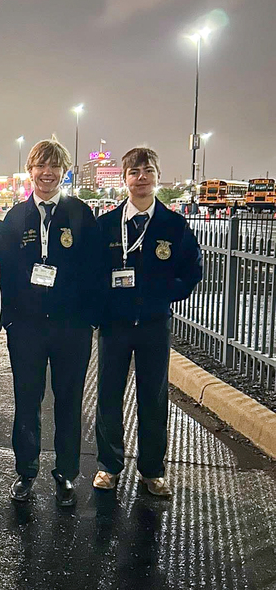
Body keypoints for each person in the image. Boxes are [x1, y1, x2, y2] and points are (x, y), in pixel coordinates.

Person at [93, 148, 203, 497]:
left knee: (152, 398)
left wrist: (163, 293)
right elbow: (92, 274)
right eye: (134, 172)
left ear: (157, 176)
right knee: (108, 395)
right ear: (124, 178)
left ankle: (152, 470)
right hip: (115, 325)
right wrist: (102, 308)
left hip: (154, 323)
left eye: (148, 171)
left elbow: (192, 271)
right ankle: (109, 466)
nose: (141, 178)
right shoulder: (107, 225)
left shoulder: (174, 225)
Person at [0, 137, 99, 508]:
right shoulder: (15, 217)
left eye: (54, 166)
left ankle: (66, 474)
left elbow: (94, 270)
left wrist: (87, 320)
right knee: (27, 400)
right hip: (26, 328)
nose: (47, 173)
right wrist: (10, 320)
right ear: (31, 171)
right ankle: (26, 472)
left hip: (71, 328)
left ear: (64, 171)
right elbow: (5, 273)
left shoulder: (79, 214)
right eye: (41, 166)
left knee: (69, 402)